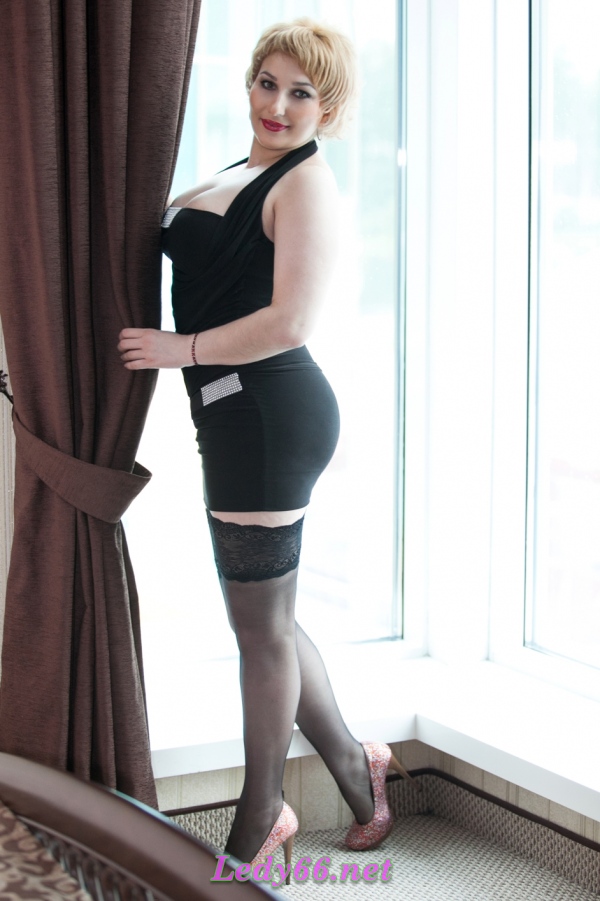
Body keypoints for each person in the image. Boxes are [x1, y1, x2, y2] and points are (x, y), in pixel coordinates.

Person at [118, 18, 413, 871]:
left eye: (301, 92)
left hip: (269, 414)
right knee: (266, 620)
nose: (278, 104)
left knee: (259, 629)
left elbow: (290, 322)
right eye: (267, 83)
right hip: (234, 413)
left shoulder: (306, 184)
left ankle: (261, 812)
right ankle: (358, 772)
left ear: (330, 108)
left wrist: (180, 348)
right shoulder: (244, 170)